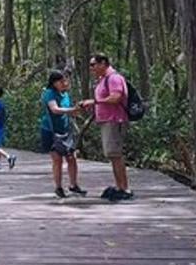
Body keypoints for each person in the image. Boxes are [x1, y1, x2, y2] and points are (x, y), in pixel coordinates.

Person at [81, 53, 132, 202]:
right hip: (106, 121)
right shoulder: (103, 80)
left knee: (116, 154)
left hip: (115, 120)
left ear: (103, 63)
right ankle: (119, 187)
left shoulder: (114, 78)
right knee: (112, 155)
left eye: (93, 65)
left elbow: (116, 97)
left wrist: (94, 102)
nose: (92, 68)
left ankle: (125, 188)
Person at [39, 70, 86, 199]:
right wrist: (71, 110)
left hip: (65, 130)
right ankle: (58, 187)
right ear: (54, 83)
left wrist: (77, 111)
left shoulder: (65, 94)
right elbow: (54, 109)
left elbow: (68, 111)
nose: (65, 83)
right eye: (61, 81)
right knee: (57, 159)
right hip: (50, 130)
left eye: (66, 80)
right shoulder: (49, 93)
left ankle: (73, 185)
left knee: (72, 157)